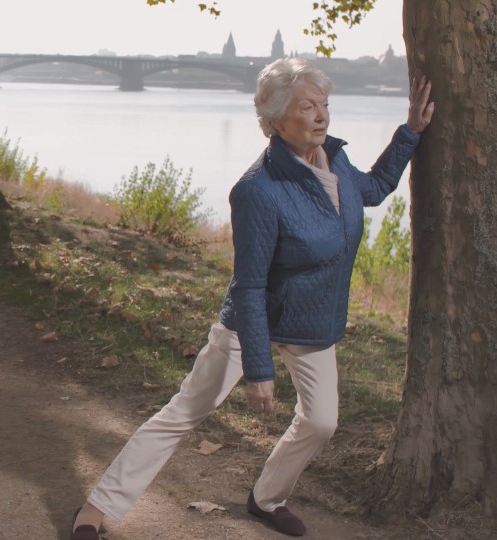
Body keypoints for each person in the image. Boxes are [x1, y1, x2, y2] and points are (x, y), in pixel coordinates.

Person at [69, 57, 435, 539]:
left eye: (325, 104)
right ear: (277, 118)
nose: (322, 116)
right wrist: (259, 368)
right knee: (186, 411)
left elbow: (376, 188)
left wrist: (410, 131)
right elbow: (251, 285)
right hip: (250, 323)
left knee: (321, 422)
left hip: (310, 322)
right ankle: (97, 509)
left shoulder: (337, 162)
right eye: (308, 107)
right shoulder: (258, 190)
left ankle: (266, 499)